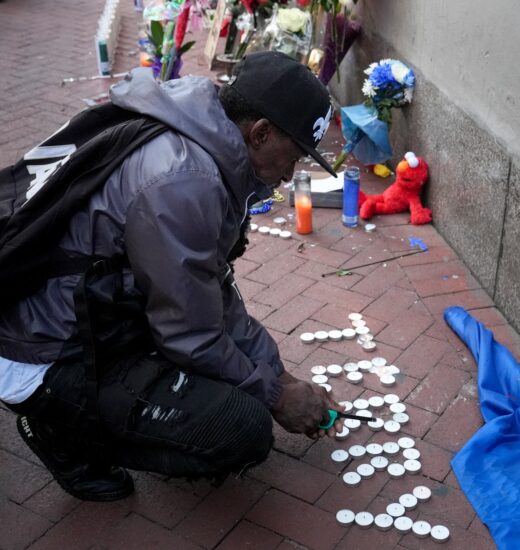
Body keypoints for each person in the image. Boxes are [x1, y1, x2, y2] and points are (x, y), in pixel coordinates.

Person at [0, 51, 343, 501]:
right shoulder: (185, 179)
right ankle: (61, 431)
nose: (290, 174)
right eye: (294, 156)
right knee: (243, 429)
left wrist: (277, 374)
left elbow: (209, 289)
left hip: (73, 313)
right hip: (42, 348)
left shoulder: (197, 127)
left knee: (232, 374)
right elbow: (190, 333)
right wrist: (277, 396)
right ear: (260, 132)